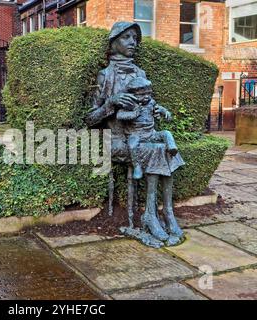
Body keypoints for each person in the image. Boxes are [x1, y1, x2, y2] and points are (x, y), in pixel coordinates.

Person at [86, 22, 185, 246]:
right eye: (127, 37)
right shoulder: (106, 75)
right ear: (114, 43)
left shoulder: (140, 73)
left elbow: (148, 102)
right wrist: (111, 103)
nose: (133, 42)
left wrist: (156, 110)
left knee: (162, 149)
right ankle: (151, 215)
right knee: (158, 151)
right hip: (119, 141)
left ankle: (166, 213)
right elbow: (90, 119)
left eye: (135, 38)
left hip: (143, 137)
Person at [117, 77, 179, 180]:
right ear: (133, 94)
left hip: (150, 133)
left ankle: (172, 148)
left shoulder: (151, 102)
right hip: (135, 134)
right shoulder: (129, 104)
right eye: (142, 95)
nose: (146, 97)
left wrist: (164, 112)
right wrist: (133, 114)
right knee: (132, 145)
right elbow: (119, 115)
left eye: (148, 94)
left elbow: (159, 109)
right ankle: (137, 166)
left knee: (166, 133)